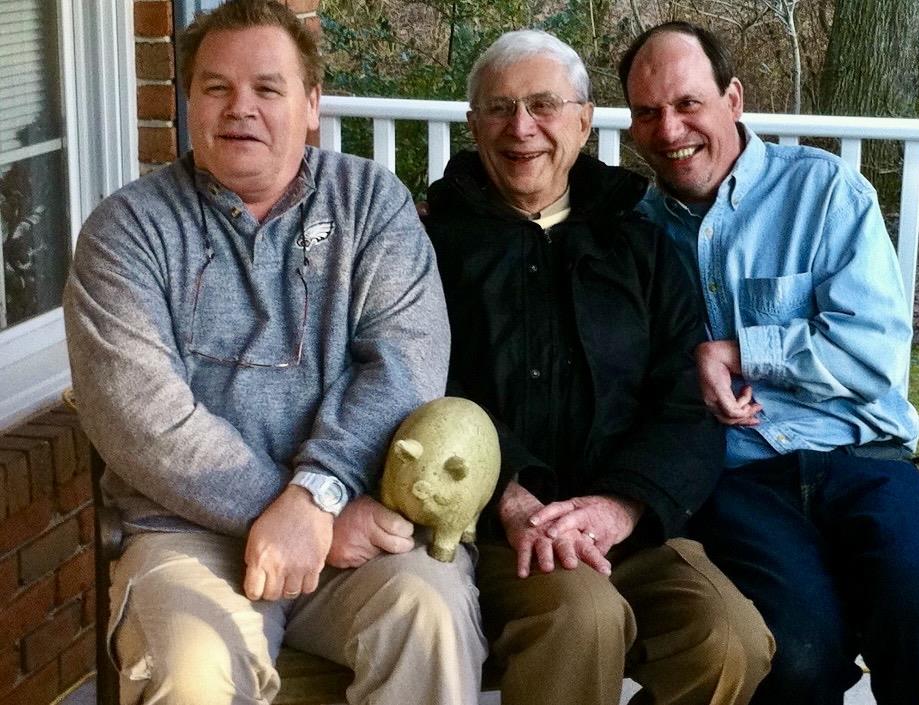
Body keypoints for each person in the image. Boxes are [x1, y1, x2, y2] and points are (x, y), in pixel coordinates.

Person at [62, 2, 485, 704]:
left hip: (352, 517)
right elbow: (139, 415)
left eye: (267, 87)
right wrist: (294, 512)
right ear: (190, 101)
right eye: (217, 87)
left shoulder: (370, 204)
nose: (241, 108)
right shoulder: (127, 230)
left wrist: (319, 494)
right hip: (187, 534)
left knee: (430, 615)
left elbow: (406, 365)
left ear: (312, 104)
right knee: (189, 670)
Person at [423, 29, 774, 705]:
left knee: (730, 638)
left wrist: (621, 506)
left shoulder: (638, 242)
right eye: (498, 108)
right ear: (473, 124)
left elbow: (685, 398)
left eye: (543, 105)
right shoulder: (433, 245)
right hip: (495, 526)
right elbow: (425, 383)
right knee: (582, 616)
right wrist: (509, 493)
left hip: (628, 524)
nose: (521, 127)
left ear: (584, 121)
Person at [620, 21, 919, 705]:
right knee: (797, 652)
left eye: (688, 103)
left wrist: (739, 350)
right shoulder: (634, 234)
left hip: (866, 460)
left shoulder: (824, 191)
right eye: (648, 112)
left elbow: (873, 350)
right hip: (738, 482)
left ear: (733, 99)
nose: (670, 129)